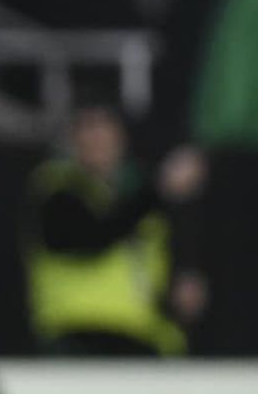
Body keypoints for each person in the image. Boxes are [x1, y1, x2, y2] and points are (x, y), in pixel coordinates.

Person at [26, 105, 207, 356]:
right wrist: (159, 190)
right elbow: (89, 239)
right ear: (72, 138)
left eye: (104, 127)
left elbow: (146, 273)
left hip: (142, 339)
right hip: (80, 337)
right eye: (87, 127)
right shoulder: (58, 189)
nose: (97, 138)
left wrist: (179, 294)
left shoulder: (133, 198)